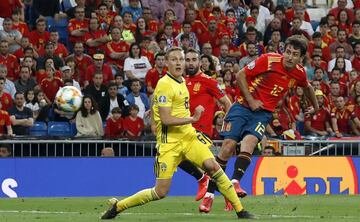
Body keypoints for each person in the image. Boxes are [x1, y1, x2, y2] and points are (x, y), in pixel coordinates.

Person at [100, 47, 254, 220]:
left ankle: (241, 211)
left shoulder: (181, 81)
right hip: (169, 144)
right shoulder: (164, 84)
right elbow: (166, 119)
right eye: (174, 59)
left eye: (181, 59)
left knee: (213, 166)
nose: (179, 62)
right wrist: (193, 118)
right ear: (166, 63)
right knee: (160, 191)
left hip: (188, 137)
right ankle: (118, 206)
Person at [200, 35, 319, 213]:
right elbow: (240, 75)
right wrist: (251, 100)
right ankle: (209, 195)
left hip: (263, 113)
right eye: (288, 52)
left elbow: (308, 87)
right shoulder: (268, 60)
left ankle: (234, 182)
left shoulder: (299, 72)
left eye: (295, 54)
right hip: (242, 106)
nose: (290, 57)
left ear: (301, 57)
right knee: (227, 147)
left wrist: (315, 107)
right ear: (283, 51)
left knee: (249, 142)